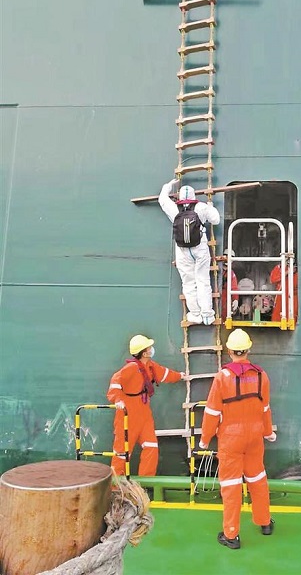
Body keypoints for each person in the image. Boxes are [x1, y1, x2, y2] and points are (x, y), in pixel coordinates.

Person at [199, 329, 277, 549]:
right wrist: (268, 432)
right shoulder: (262, 375)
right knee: (258, 479)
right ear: (248, 349)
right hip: (255, 437)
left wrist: (205, 439)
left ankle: (231, 535)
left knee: (232, 486)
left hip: (231, 439)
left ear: (229, 350)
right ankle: (265, 523)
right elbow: (265, 408)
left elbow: (212, 412)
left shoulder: (222, 377)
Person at [107, 334, 185, 476]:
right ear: (144, 352)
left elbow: (164, 374)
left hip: (144, 414)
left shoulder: (150, 367)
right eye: (149, 347)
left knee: (151, 447)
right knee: (122, 453)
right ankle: (115, 485)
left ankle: (146, 482)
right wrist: (117, 400)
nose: (152, 349)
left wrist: (180, 376)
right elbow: (115, 381)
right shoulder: (131, 368)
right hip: (127, 415)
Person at [159, 179, 220, 325]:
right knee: (203, 280)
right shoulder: (201, 207)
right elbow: (216, 220)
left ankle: (195, 314)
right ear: (194, 196)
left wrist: (169, 185)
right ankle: (207, 315)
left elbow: (162, 198)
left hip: (182, 251)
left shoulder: (173, 209)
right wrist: (210, 206)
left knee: (188, 283)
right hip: (200, 248)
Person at [221, 249, 239, 319]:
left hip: (225, 299)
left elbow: (234, 288)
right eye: (226, 256)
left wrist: (235, 299)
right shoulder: (216, 270)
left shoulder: (231, 274)